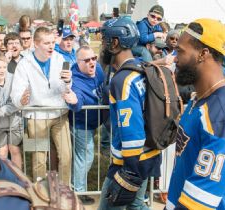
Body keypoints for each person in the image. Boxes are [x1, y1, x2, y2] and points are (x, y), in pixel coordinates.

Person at [166, 18, 225, 210]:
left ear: (203, 54)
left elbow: (199, 203)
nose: (174, 58)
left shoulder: (224, 115)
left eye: (180, 51)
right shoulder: (200, 100)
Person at [98, 17, 161, 210]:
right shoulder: (142, 67)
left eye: (104, 40)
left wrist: (129, 172)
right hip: (148, 154)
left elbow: (132, 130)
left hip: (129, 162)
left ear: (114, 42)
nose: (102, 44)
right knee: (137, 206)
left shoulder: (122, 79)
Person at [11, 27, 72, 185]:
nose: (51, 46)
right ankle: (40, 193)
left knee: (66, 155)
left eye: (53, 42)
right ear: (36, 44)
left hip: (59, 114)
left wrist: (68, 82)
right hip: (36, 117)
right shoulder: (24, 64)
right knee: (38, 158)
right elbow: (16, 93)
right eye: (46, 43)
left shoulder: (60, 60)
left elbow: (66, 89)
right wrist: (21, 100)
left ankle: (65, 192)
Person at [63, 46, 104, 205]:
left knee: (84, 157)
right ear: (78, 62)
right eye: (87, 60)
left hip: (93, 122)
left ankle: (77, 187)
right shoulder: (76, 81)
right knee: (85, 158)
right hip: (81, 125)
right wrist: (73, 101)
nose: (92, 62)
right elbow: (76, 99)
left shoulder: (98, 69)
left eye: (94, 58)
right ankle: (79, 192)